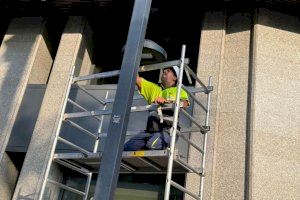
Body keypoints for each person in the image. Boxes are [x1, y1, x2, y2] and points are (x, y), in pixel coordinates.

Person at [123, 66, 189, 151]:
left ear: (175, 77)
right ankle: (146, 145)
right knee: (127, 148)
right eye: (164, 70)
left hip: (169, 130)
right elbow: (136, 79)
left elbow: (185, 104)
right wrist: (134, 60)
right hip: (150, 132)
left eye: (168, 71)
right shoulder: (153, 88)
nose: (164, 71)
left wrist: (167, 101)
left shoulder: (179, 90)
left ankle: (161, 145)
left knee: (152, 145)